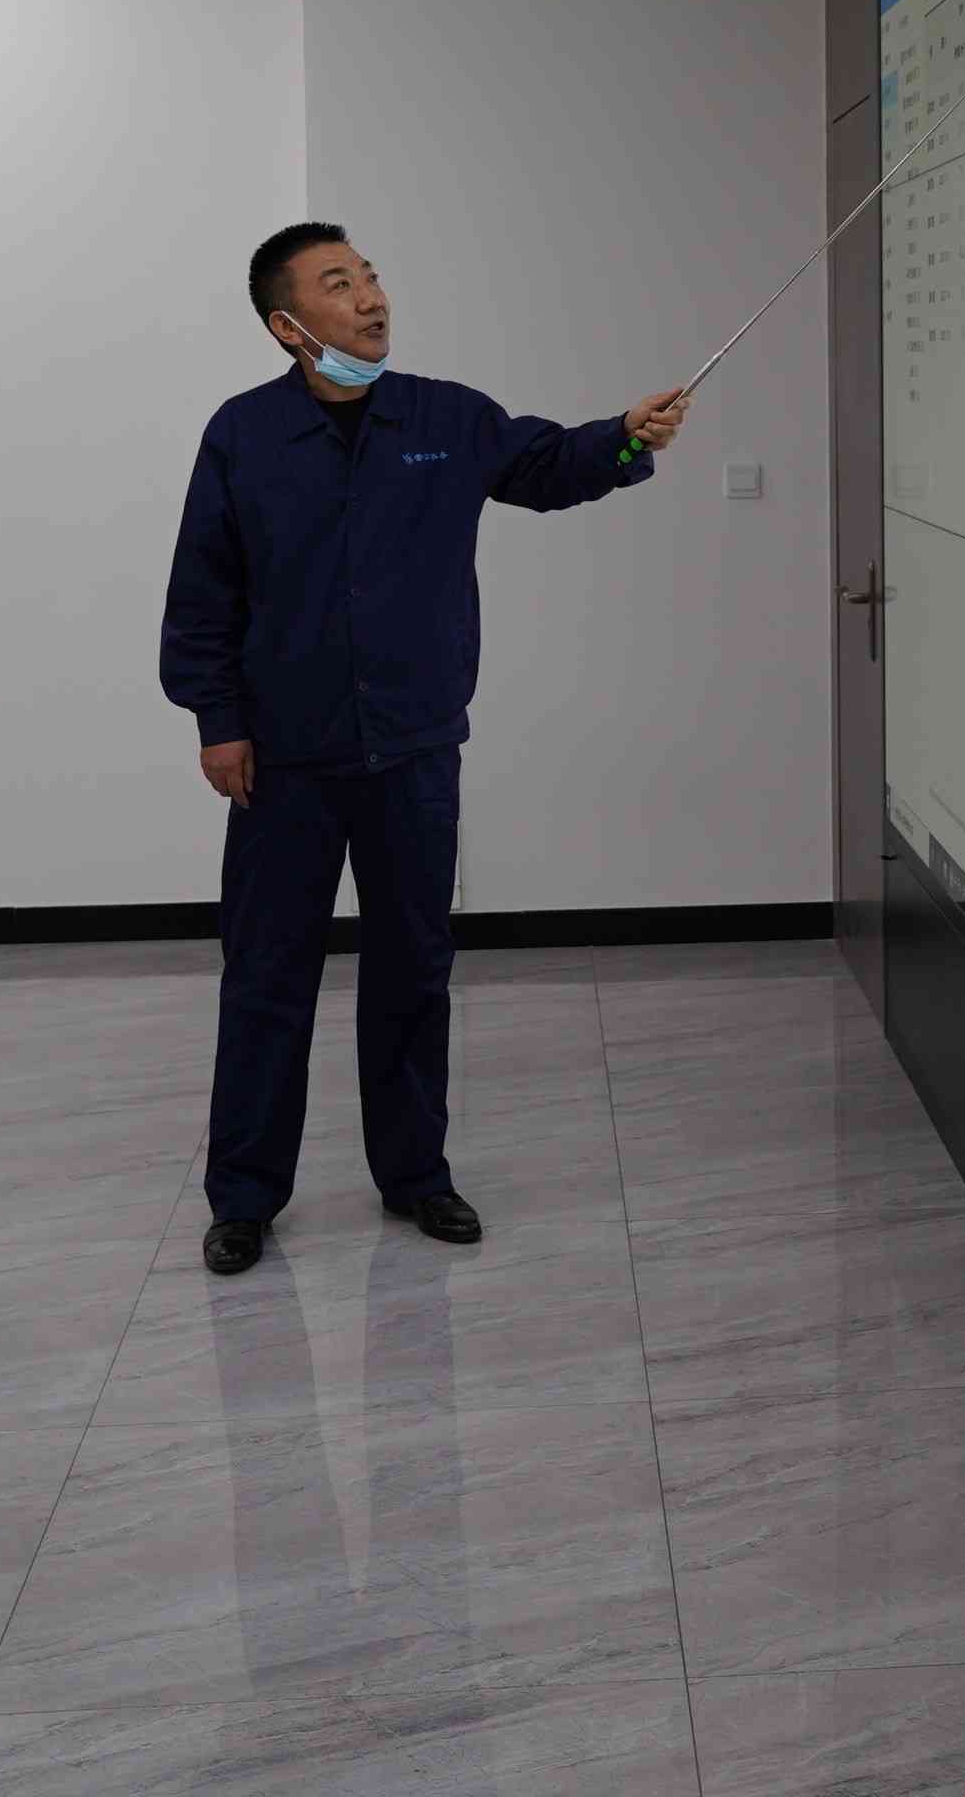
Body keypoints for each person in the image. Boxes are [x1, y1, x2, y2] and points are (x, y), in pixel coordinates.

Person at [160, 224, 686, 1275]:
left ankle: (415, 1174)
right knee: (267, 975)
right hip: (284, 760)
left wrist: (626, 437)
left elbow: (547, 464)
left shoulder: (444, 416)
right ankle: (245, 1194)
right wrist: (218, 719)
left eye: (371, 277)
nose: (371, 298)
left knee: (413, 966)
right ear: (288, 325)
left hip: (413, 749)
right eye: (339, 284)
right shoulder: (243, 434)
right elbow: (203, 587)